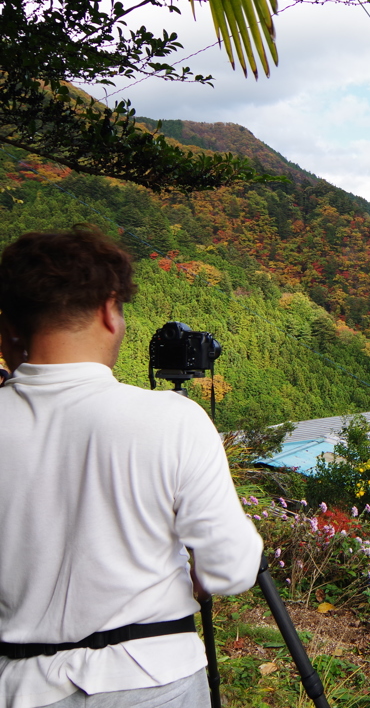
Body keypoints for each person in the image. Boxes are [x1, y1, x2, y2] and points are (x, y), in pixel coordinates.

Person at [0, 226, 263, 708]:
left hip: (19, 687)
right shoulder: (172, 418)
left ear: (11, 324)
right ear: (108, 310)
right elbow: (232, 570)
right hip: (155, 679)